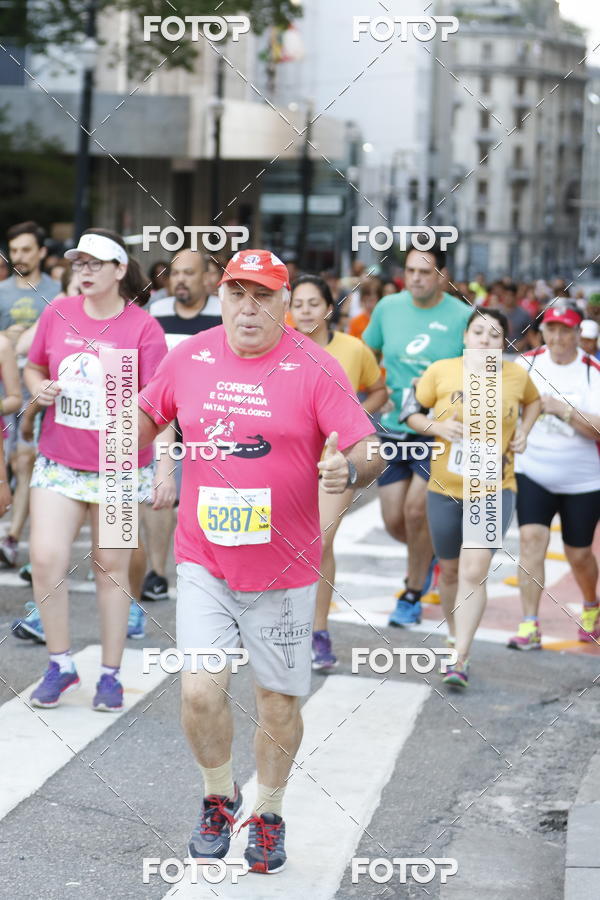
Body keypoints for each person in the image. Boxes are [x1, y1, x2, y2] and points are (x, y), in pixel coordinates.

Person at [138, 248, 382, 874]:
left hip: (284, 571)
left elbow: (370, 451)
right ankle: (220, 798)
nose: (249, 308)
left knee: (277, 702)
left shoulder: (315, 366)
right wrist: (129, 443)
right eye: (237, 294)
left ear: (284, 304)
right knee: (198, 691)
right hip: (204, 561)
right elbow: (143, 416)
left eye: (263, 296)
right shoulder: (188, 357)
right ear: (222, 297)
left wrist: (347, 468)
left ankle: (268, 813)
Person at [24, 227, 167, 710]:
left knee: (111, 568)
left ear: (119, 270)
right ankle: (60, 665)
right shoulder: (57, 312)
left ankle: (109, 674)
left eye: (94, 264)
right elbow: (34, 366)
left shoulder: (144, 328)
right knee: (45, 558)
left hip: (120, 464)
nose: (83, 272)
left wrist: (164, 466)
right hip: (60, 458)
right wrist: (38, 387)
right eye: (78, 264)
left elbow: (163, 404)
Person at [407, 309, 540, 687]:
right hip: (444, 488)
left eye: (494, 334)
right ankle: (455, 634)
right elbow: (410, 412)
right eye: (478, 331)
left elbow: (534, 402)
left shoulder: (517, 376)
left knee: (473, 571)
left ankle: (459, 657)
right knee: (449, 571)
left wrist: (524, 432)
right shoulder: (442, 370)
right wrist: (436, 425)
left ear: (504, 343)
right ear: (466, 336)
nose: (485, 339)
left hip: (495, 489)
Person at [363, 241, 472, 626]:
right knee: (395, 519)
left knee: (415, 510)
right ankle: (430, 558)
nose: (416, 279)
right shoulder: (388, 308)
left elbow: (475, 374)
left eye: (425, 272)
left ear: (443, 276)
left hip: (437, 432)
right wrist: (377, 392)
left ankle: (411, 593)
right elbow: (367, 357)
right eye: (410, 271)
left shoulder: (462, 317)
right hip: (393, 429)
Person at [290, 274, 387, 670]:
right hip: (288, 461)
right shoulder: (280, 346)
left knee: (319, 544)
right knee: (289, 546)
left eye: (314, 303)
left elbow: (379, 388)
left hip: (336, 460)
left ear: (329, 308)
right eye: (298, 304)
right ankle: (283, 626)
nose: (306, 310)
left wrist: (354, 419)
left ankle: (318, 631)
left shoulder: (352, 348)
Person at [508, 306, 600, 649]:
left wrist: (565, 410)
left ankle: (591, 603)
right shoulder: (526, 364)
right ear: (542, 331)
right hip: (533, 470)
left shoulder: (592, 371)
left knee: (578, 554)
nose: (558, 338)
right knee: (531, 540)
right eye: (552, 330)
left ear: (579, 334)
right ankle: (529, 623)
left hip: (583, 480)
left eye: (566, 331)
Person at [139, 248, 222, 607]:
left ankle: (214, 576)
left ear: (207, 278)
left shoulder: (223, 313)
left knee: (208, 505)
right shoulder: (154, 312)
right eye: (175, 274)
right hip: (162, 422)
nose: (180, 281)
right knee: (157, 501)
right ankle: (157, 574)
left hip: (212, 427)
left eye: (189, 273)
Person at [0, 221, 61, 567]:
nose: (18, 256)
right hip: (4, 386)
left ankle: (11, 538)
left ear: (41, 252)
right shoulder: (2, 291)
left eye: (26, 249)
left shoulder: (57, 292)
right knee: (8, 463)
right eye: (14, 250)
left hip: (39, 386)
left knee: (26, 462)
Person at [499, 283, 532, 354]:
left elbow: (530, 332)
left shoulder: (524, 314)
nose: (508, 298)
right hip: (500, 354)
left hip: (518, 354)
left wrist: (523, 343)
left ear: (516, 296)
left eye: (511, 295)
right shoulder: (496, 313)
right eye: (506, 295)